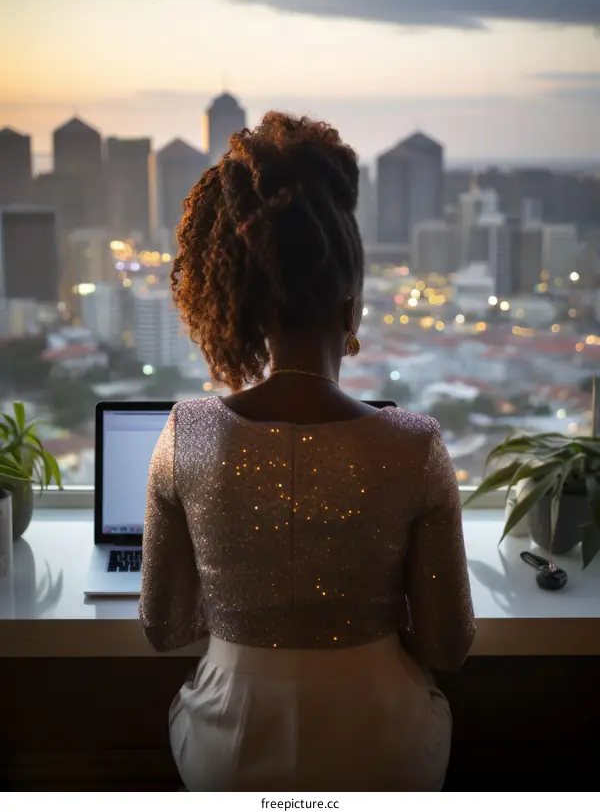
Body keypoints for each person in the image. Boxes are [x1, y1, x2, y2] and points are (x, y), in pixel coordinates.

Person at [139, 112, 475, 791]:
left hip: (226, 753)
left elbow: (165, 627)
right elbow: (447, 646)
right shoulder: (415, 446)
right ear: (352, 310)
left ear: (244, 303)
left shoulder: (188, 434)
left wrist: (246, 597)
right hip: (387, 751)